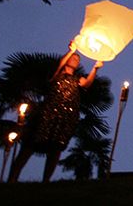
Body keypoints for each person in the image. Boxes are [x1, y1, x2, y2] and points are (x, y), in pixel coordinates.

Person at [8, 40, 103, 183]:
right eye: (73, 57)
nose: (75, 60)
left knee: (56, 148)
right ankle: (12, 178)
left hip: (65, 118)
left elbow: (87, 83)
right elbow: (59, 65)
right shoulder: (57, 74)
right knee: (30, 145)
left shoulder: (77, 79)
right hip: (47, 114)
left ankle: (46, 181)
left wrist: (96, 67)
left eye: (78, 59)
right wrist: (72, 50)